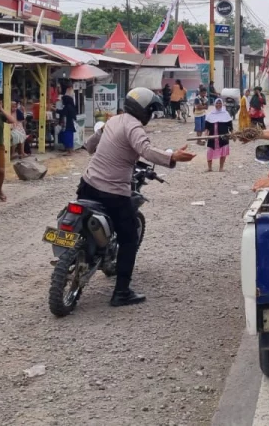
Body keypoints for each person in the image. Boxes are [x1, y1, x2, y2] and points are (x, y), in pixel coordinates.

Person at [81, 87, 195, 305]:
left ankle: (87, 254)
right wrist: (174, 157)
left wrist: (90, 147)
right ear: (144, 110)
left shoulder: (114, 120)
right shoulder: (134, 127)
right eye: (151, 111)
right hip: (112, 192)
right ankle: (121, 292)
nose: (150, 116)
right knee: (129, 238)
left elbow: (92, 143)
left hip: (87, 184)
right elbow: (146, 150)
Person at [204, 99, 234, 172]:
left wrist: (233, 134)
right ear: (215, 104)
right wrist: (206, 134)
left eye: (220, 103)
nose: (218, 104)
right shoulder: (210, 114)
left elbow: (230, 126)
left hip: (223, 136)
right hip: (212, 137)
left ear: (222, 104)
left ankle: (221, 168)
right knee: (209, 152)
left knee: (223, 152)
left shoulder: (226, 114)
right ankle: (209, 168)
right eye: (217, 103)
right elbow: (207, 127)